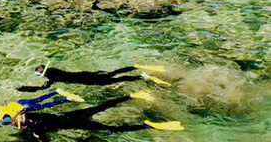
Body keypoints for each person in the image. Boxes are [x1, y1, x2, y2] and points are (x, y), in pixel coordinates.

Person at [0, 90, 183, 142]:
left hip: (75, 122)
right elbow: (35, 112)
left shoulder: (34, 126)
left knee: (111, 129)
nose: (9, 123)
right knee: (100, 106)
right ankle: (130, 96)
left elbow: (44, 141)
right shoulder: (28, 116)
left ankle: (147, 125)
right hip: (71, 115)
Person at [0, 88, 85, 130]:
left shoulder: (4, 118)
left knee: (47, 105)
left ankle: (68, 99)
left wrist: (1, 124)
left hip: (24, 108)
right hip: (20, 102)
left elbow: (10, 122)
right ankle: (55, 91)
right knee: (39, 99)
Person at [17, 62, 170, 93]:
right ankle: (134, 66)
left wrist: (30, 89)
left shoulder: (53, 77)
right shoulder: (55, 71)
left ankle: (141, 77)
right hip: (86, 74)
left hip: (89, 80)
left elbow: (44, 87)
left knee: (116, 80)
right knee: (113, 74)